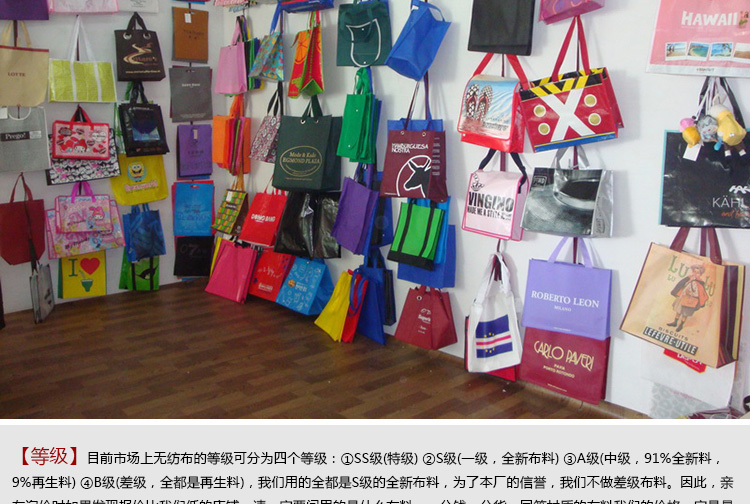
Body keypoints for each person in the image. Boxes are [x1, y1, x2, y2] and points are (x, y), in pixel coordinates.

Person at [667, 264, 709, 332]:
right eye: (694, 271)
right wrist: (689, 281)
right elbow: (682, 285)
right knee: (678, 310)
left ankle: (681, 325)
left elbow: (699, 293)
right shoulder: (689, 278)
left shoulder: (699, 282)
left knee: (685, 313)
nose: (695, 273)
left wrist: (690, 292)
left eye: (697, 272)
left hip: (690, 300)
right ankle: (675, 322)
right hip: (682, 297)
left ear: (700, 274)